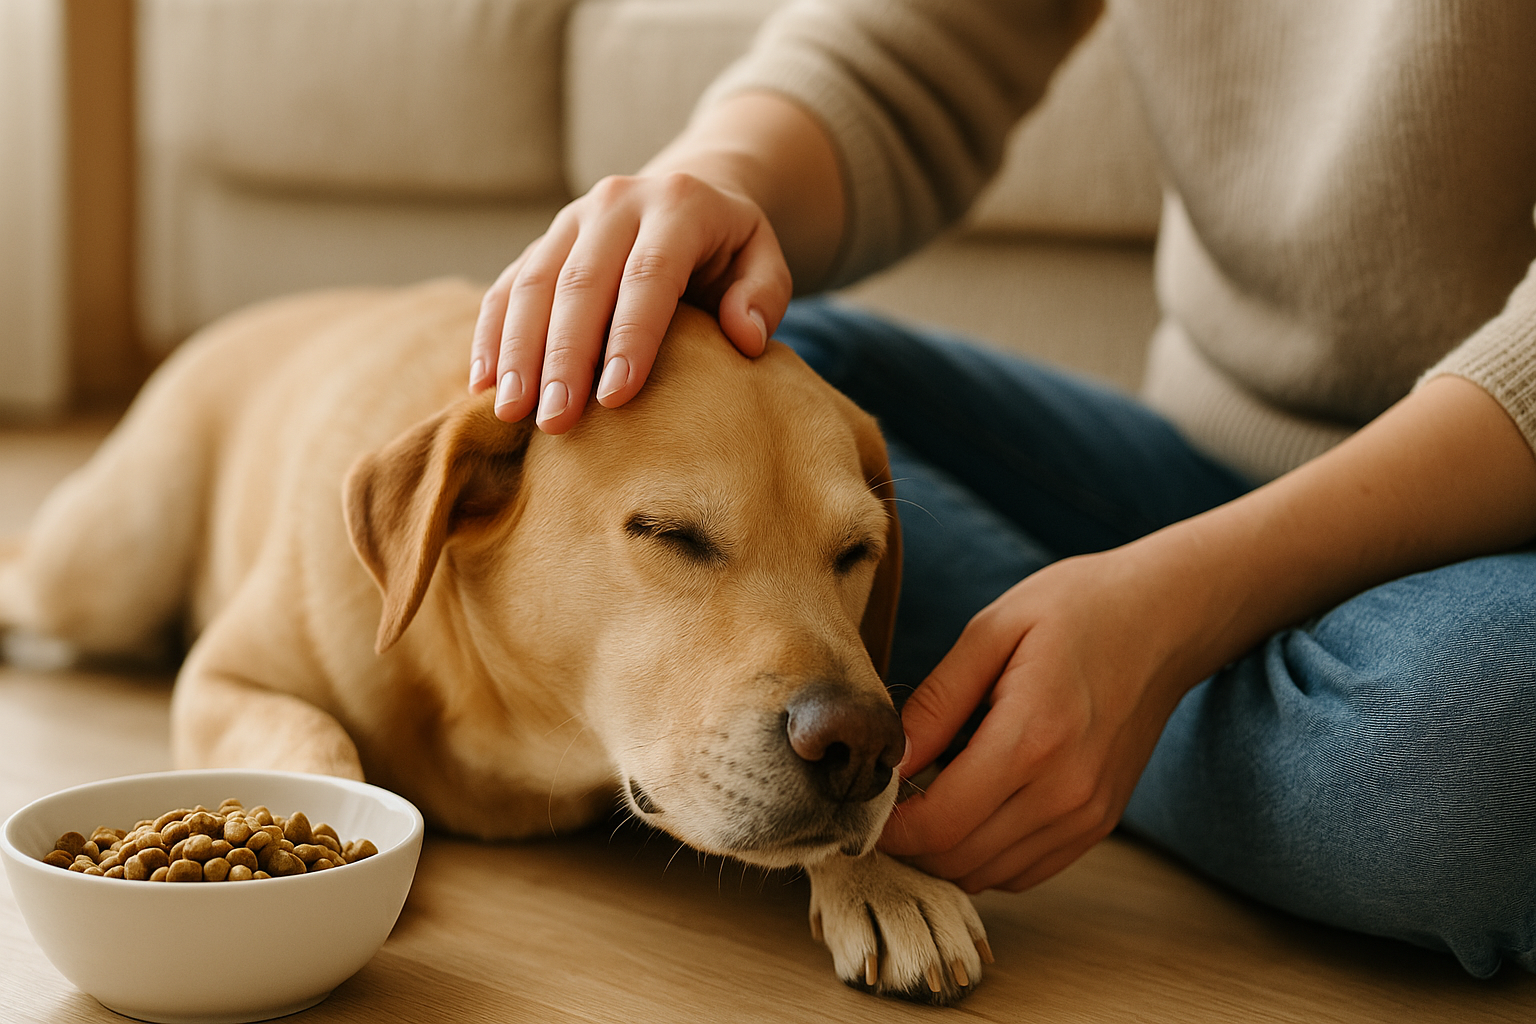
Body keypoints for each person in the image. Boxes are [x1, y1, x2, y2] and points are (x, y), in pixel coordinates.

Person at [467, 0, 1536, 976]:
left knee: (1484, 745)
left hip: (1501, 512)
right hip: (1195, 458)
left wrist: (1173, 616)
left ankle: (1037, 707)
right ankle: (1089, 693)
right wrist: (717, 187)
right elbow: (924, 41)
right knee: (802, 395)